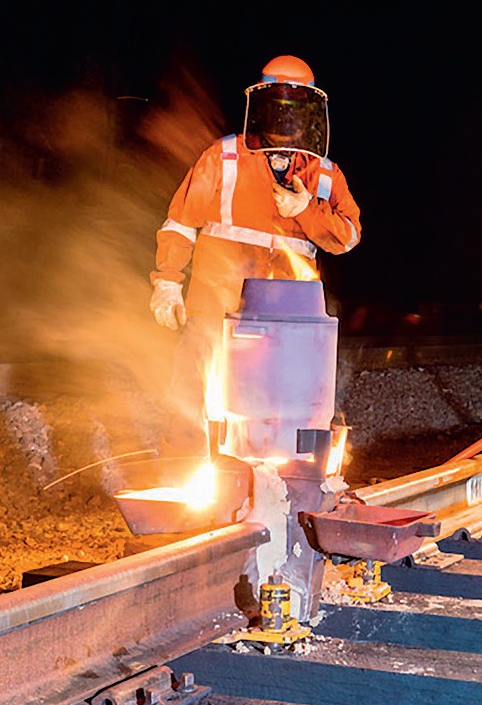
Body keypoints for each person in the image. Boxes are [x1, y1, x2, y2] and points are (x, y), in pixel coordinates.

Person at [149, 55, 362, 454]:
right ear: (260, 107)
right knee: (193, 401)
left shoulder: (324, 174)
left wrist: (307, 210)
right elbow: (181, 222)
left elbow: (348, 236)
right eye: (279, 107)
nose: (286, 119)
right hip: (215, 308)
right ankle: (184, 470)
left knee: (275, 410)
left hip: (286, 321)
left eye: (295, 109)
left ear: (312, 113)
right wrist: (168, 281)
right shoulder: (225, 157)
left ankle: (268, 478)